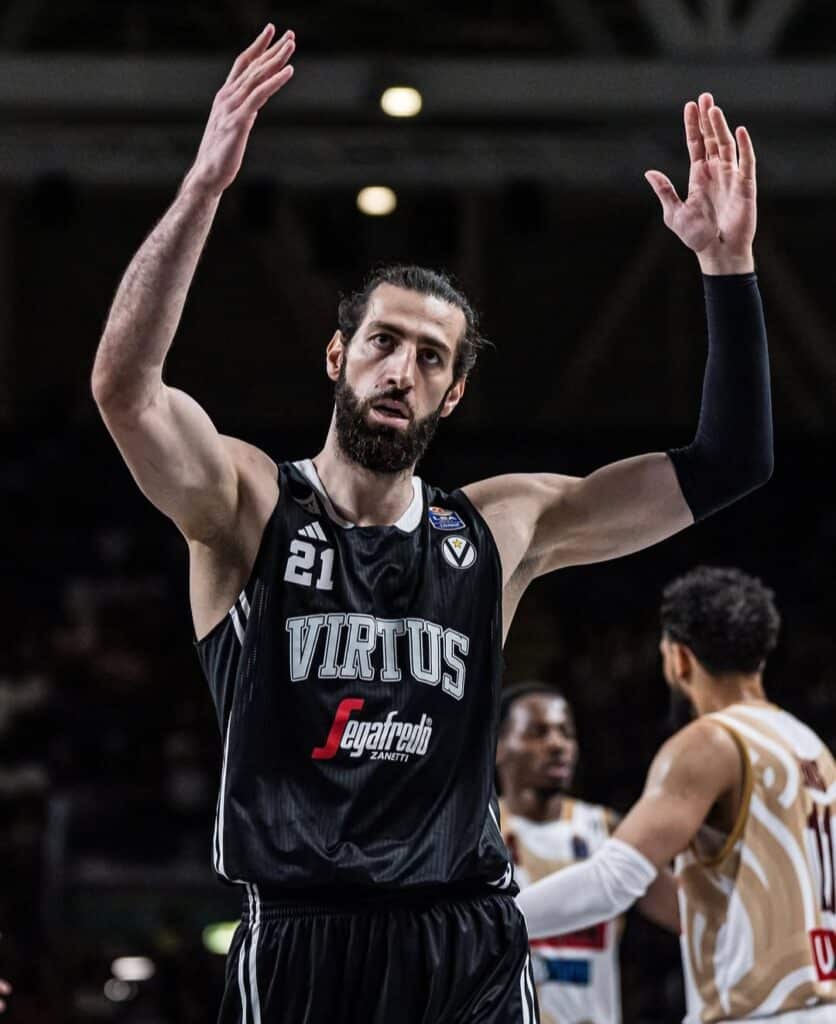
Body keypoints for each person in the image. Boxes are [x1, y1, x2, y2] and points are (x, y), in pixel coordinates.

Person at [90, 20, 772, 1024]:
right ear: (338, 357)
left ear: (452, 393)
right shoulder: (248, 506)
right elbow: (124, 390)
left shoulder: (500, 527)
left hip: (464, 934)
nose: (400, 369)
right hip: (303, 935)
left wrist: (727, 269)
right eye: (381, 342)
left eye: (429, 356)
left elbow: (728, 463)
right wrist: (203, 188)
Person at [518, 568, 836, 1023]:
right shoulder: (813, 748)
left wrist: (488, 923)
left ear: (679, 658)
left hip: (759, 1014)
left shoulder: (711, 742)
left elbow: (613, 879)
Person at [497, 684, 679, 1024]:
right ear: (498, 747)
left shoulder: (607, 830)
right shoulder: (477, 834)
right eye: (538, 732)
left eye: (566, 733)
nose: (557, 744)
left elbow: (686, 915)